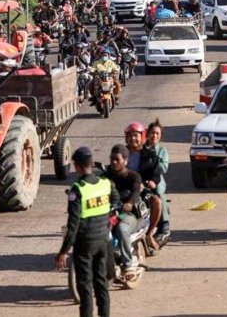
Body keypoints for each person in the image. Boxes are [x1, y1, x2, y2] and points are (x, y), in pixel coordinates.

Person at [55, 147, 118, 317]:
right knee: (102, 285)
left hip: (85, 245)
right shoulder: (105, 183)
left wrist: (63, 252)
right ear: (91, 164)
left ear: (77, 166)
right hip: (103, 241)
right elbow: (116, 200)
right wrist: (108, 215)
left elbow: (73, 224)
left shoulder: (78, 189)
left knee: (85, 289)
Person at [102, 144, 143, 277]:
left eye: (117, 159)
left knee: (122, 229)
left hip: (128, 215)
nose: (113, 162)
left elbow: (136, 192)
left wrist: (130, 203)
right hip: (108, 213)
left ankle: (128, 264)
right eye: (112, 159)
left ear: (125, 160)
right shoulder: (105, 177)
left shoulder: (133, 176)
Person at [124, 122, 164, 249]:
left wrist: (152, 181)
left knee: (157, 202)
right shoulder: (121, 153)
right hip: (124, 189)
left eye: (136, 135)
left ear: (142, 136)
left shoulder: (150, 154)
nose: (133, 138)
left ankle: (149, 234)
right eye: (130, 136)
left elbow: (156, 172)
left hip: (143, 189)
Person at [144, 120, 171, 244]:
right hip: (142, 178)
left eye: (157, 134)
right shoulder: (141, 148)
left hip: (157, 179)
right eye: (152, 133)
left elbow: (163, 168)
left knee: (159, 192)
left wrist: (154, 158)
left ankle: (164, 225)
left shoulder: (162, 151)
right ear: (147, 134)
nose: (154, 136)